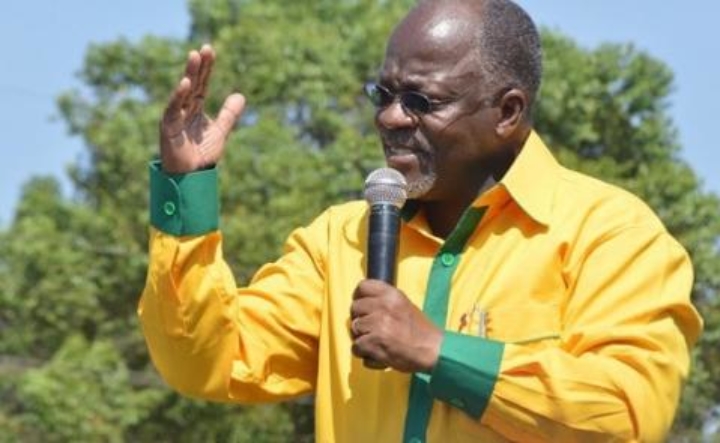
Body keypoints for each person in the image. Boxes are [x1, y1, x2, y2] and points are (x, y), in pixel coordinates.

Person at [138, 0, 703, 441]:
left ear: (507, 111)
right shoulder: (342, 239)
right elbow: (206, 361)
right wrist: (187, 192)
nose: (390, 117)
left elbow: (627, 414)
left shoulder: (609, 233)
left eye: (420, 101)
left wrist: (438, 351)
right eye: (382, 94)